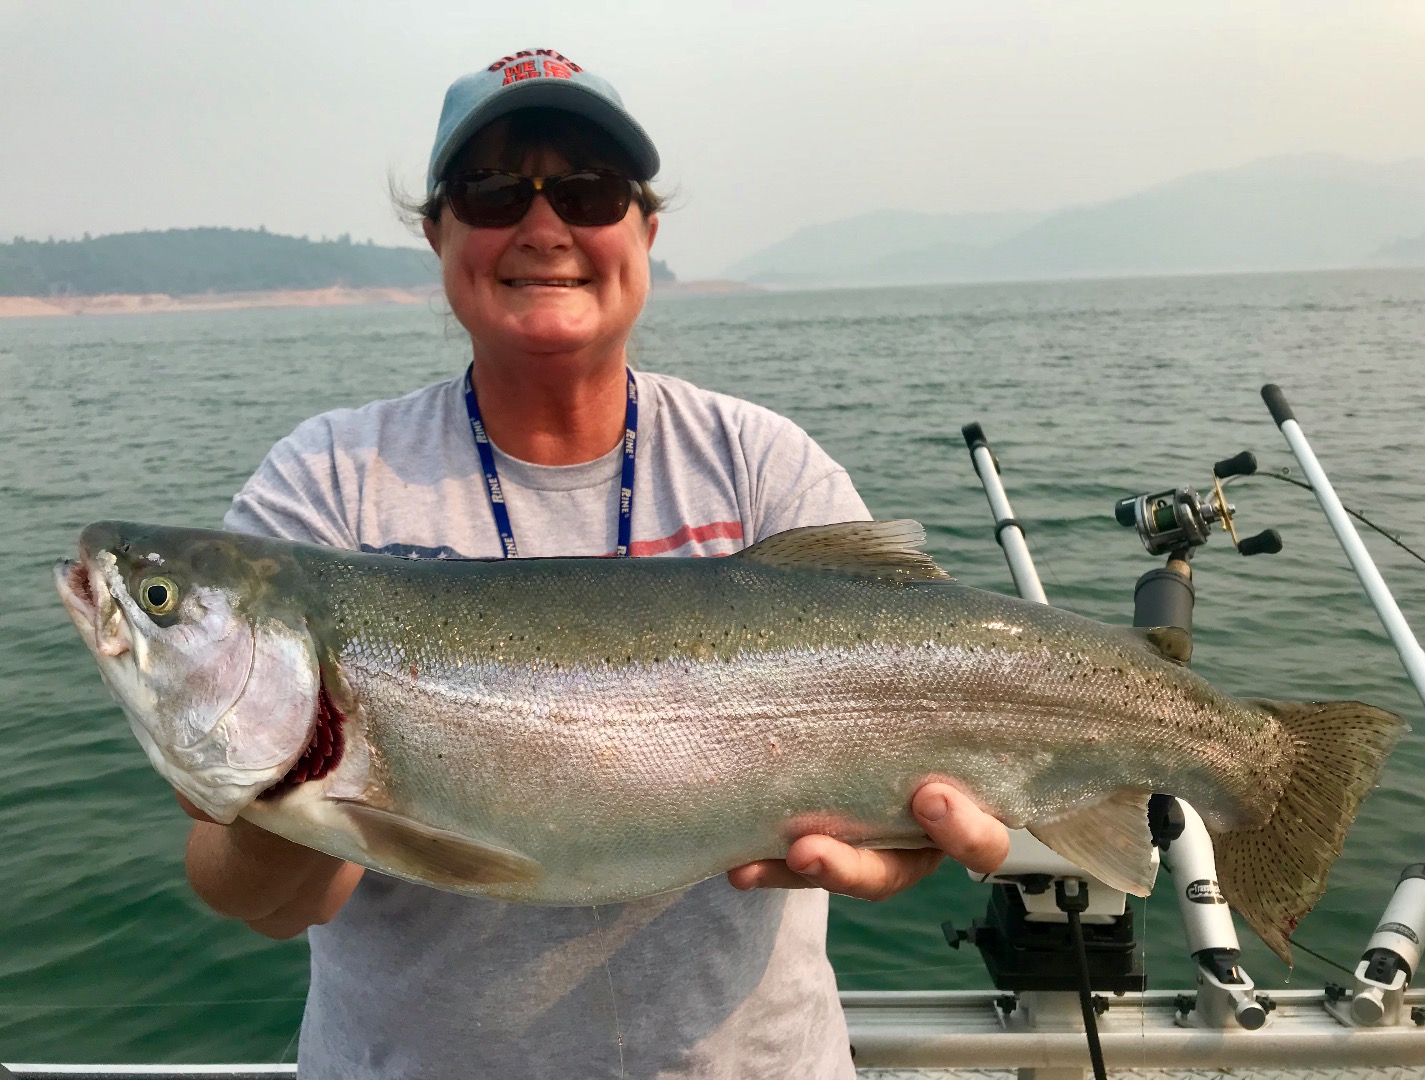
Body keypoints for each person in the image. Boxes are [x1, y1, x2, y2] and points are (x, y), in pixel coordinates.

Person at [180, 48, 1010, 1079]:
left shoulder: (761, 465)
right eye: (491, 192)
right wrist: (301, 783)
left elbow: (914, 717)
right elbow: (254, 898)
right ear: (437, 234)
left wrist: (907, 842)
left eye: (588, 191)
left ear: (645, 232)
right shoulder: (326, 488)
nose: (542, 228)